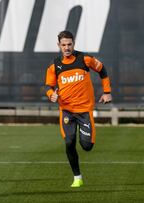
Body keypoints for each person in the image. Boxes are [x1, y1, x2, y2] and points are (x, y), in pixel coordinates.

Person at [45, 30, 112, 188]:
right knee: (69, 142)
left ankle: (85, 144)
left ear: (73, 44)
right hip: (66, 110)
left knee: (87, 146)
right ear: (59, 46)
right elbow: (49, 86)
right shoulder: (55, 65)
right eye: (63, 45)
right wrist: (51, 95)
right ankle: (77, 177)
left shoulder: (85, 59)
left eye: (69, 44)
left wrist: (107, 92)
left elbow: (102, 70)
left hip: (84, 111)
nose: (66, 48)